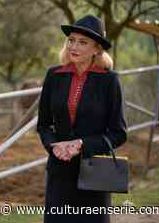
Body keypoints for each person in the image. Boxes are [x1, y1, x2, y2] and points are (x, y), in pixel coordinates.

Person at [37, 15, 127, 223]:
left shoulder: (109, 81)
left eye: (82, 42)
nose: (74, 46)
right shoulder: (54, 75)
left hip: (95, 173)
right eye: (71, 40)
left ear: (97, 49)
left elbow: (118, 133)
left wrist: (81, 144)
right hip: (59, 172)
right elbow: (43, 124)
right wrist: (53, 146)